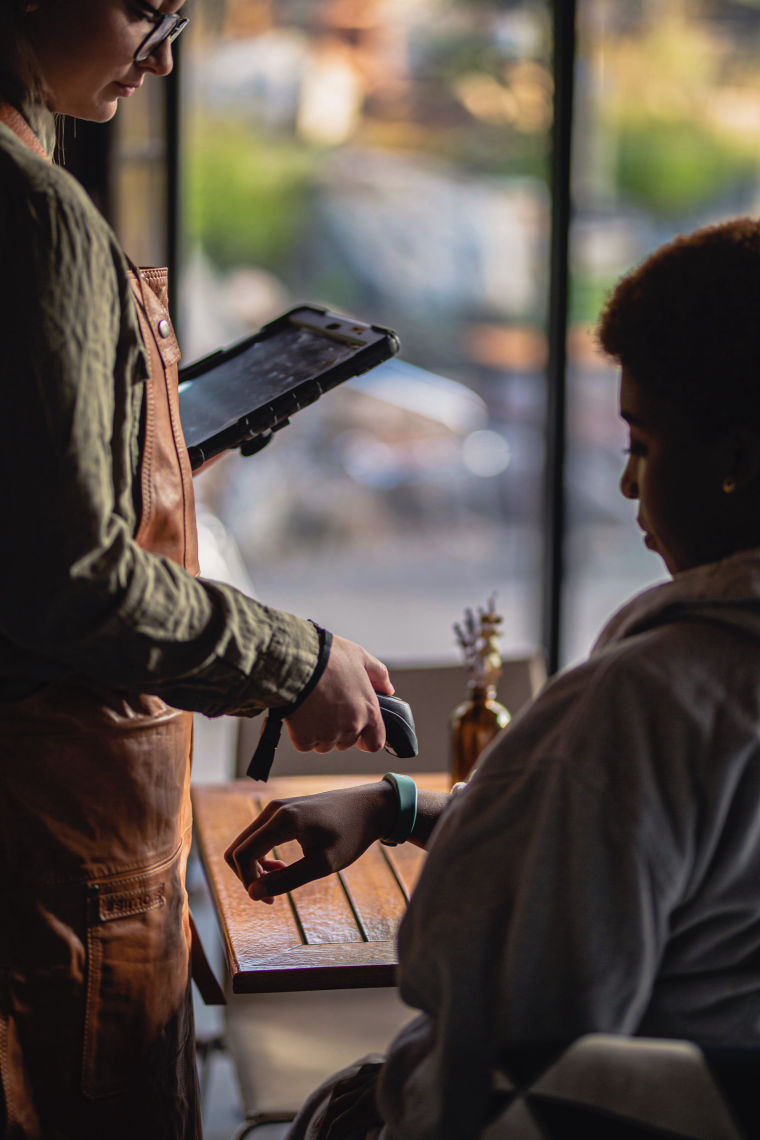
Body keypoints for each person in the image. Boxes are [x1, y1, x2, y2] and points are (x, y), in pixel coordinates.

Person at [226, 218, 760, 1139]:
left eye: (642, 443)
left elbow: (504, 1079)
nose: (630, 486)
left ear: (736, 461)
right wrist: (399, 808)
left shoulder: (645, 705)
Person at [0, 3, 394, 1137]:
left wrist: (145, 445)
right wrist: (294, 657)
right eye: (148, 10)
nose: (164, 53)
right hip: (47, 835)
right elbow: (70, 578)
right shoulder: (39, 216)